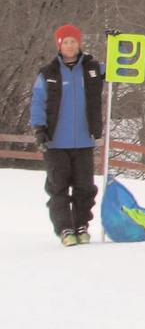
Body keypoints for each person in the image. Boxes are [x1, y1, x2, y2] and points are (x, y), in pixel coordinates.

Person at [30, 24, 105, 246]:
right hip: (55, 142)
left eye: (73, 41)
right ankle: (64, 228)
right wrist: (39, 128)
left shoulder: (92, 69)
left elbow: (122, 67)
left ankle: (81, 225)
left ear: (79, 43)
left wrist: (116, 44)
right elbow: (37, 101)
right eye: (66, 42)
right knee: (58, 188)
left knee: (85, 187)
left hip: (83, 140)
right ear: (59, 45)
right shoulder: (48, 73)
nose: (70, 46)